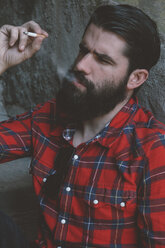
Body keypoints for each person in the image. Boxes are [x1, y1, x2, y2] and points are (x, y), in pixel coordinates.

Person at [0, 3, 164, 248]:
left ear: (136, 78)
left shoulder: (153, 150)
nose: (80, 66)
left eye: (103, 60)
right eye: (83, 50)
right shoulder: (50, 116)